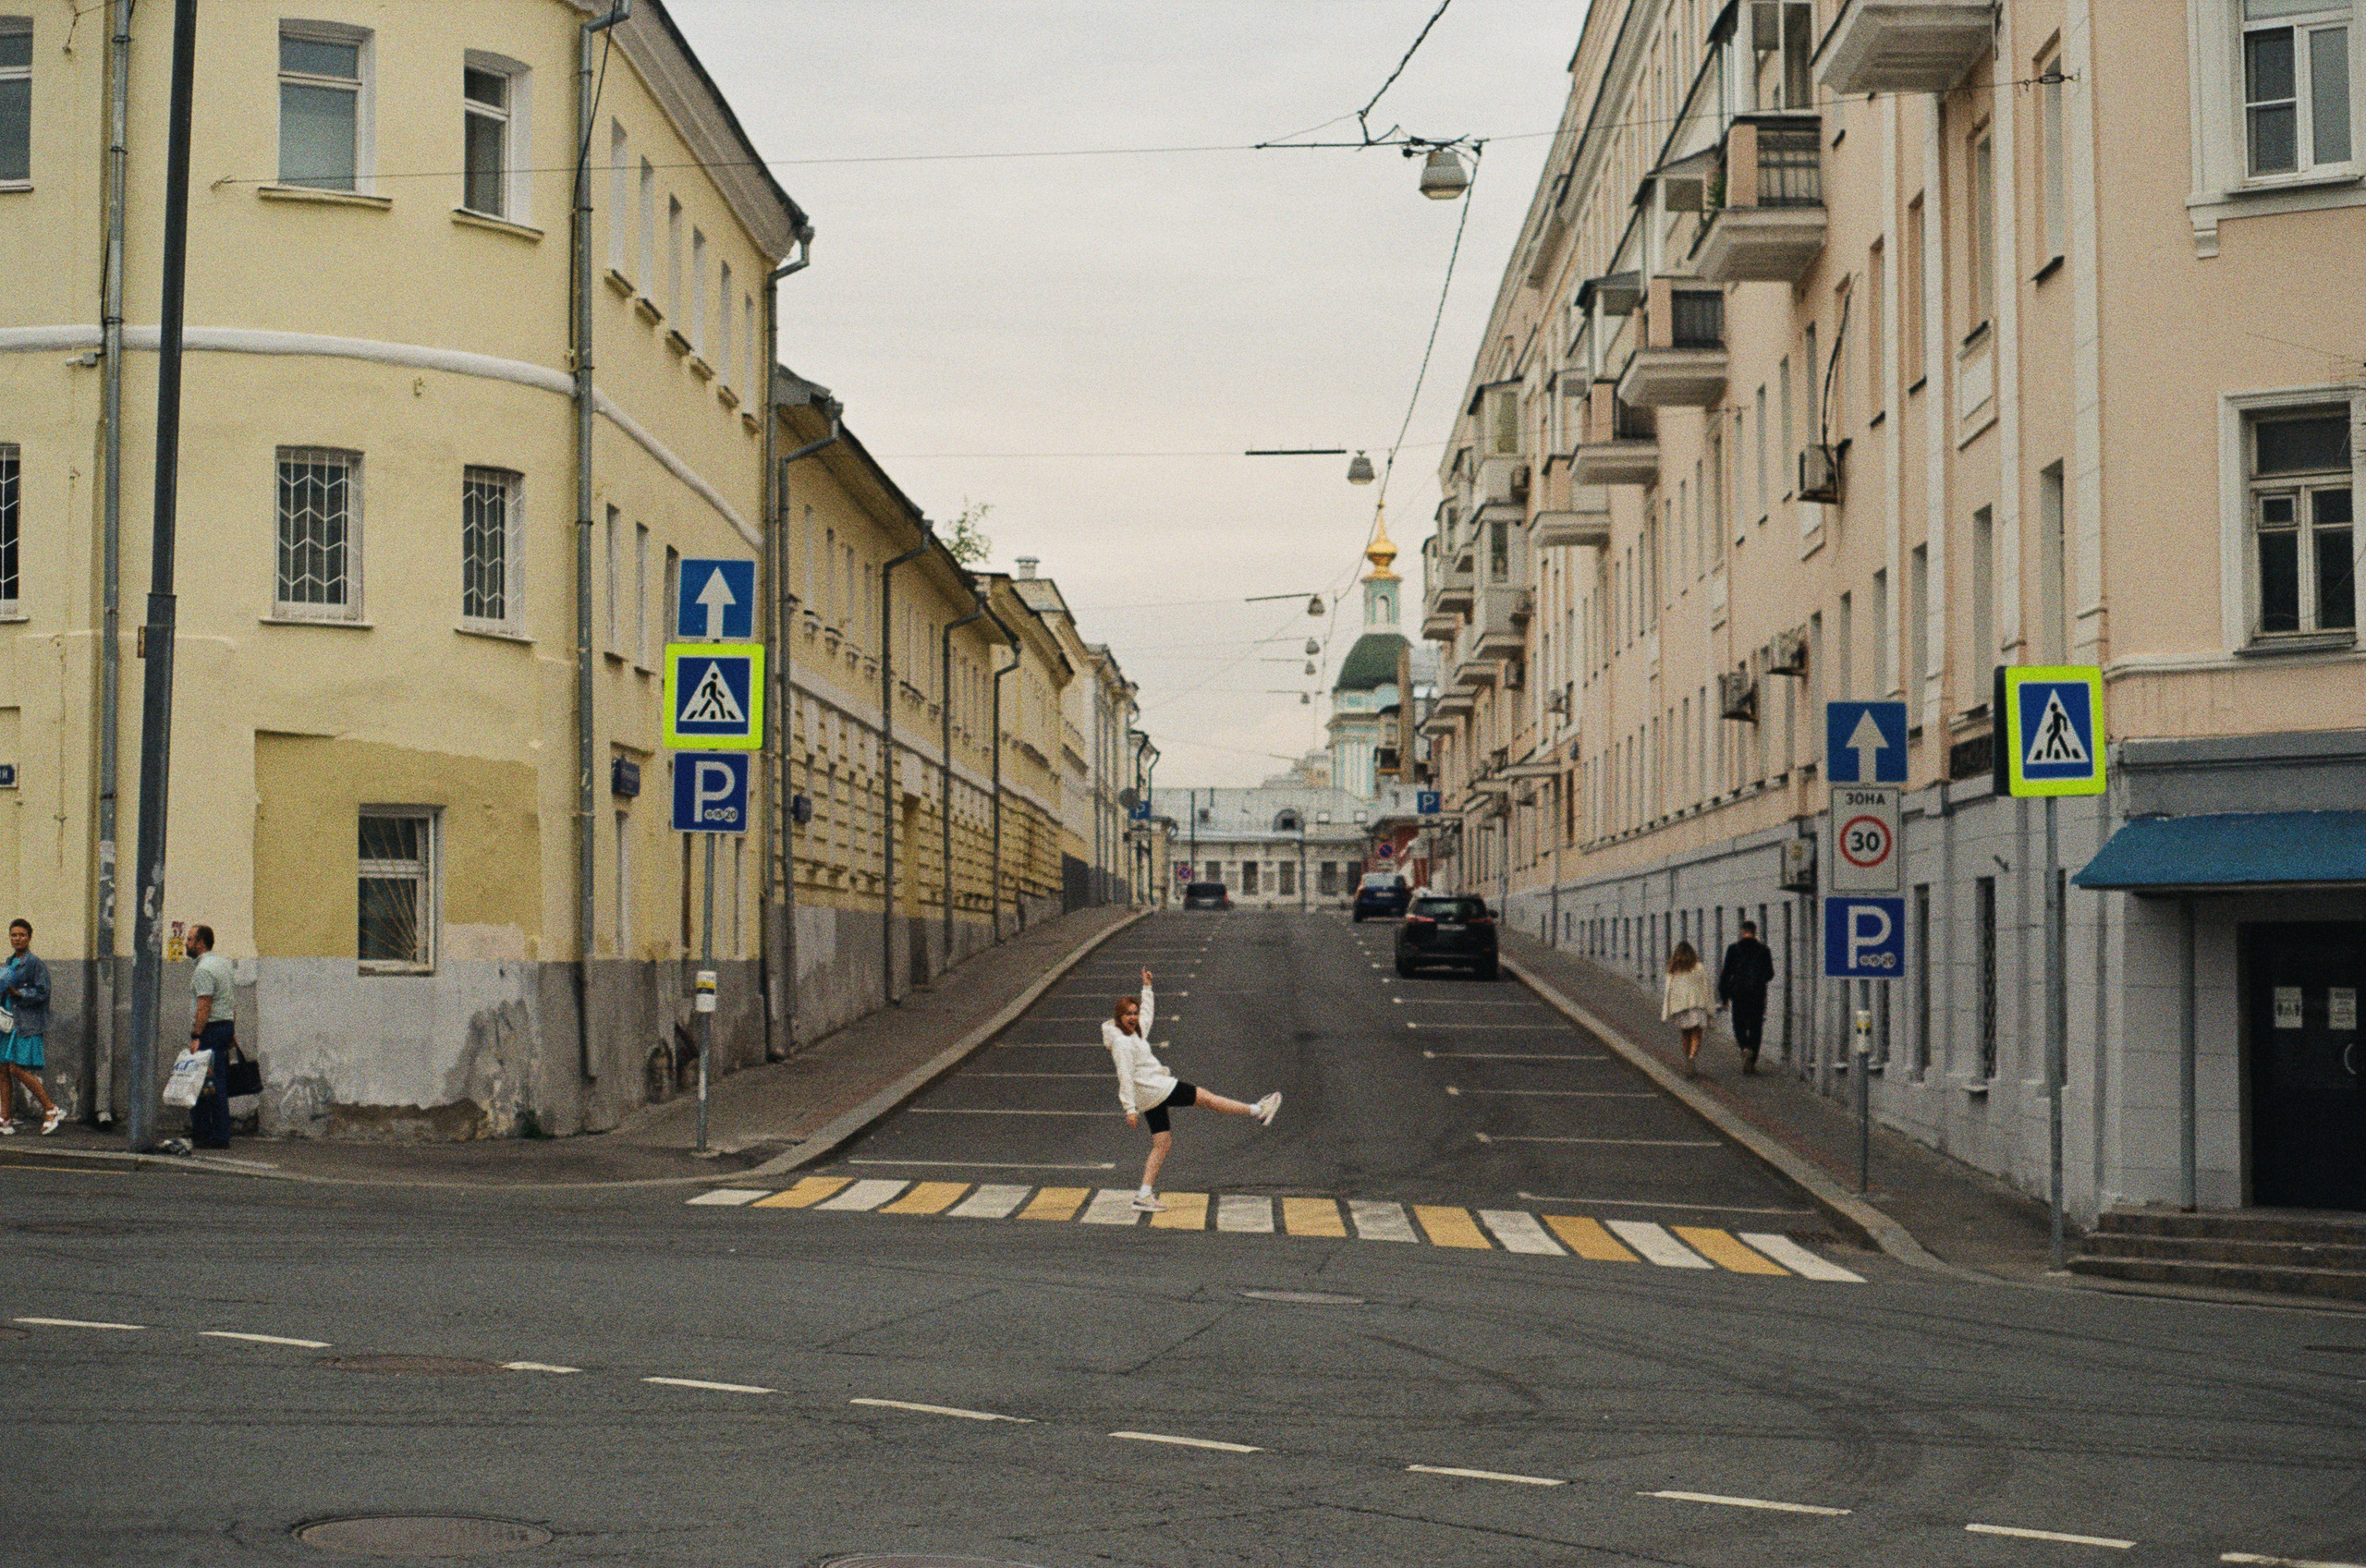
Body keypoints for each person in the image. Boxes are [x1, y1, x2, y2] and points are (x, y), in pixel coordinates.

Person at [1104, 966, 1279, 1212]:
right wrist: (1129, 1109)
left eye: (1134, 1013)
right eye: (1128, 1014)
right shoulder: (1122, 1043)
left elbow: (1147, 1016)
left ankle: (1143, 1195)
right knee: (1207, 1098)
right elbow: (1124, 1076)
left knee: (1162, 1142)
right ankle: (1257, 1110)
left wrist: (1147, 988)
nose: (1133, 1017)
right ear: (1118, 1017)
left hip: (1151, 1094)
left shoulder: (1134, 1033)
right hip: (1157, 1089)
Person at [1, 918, 65, 1135]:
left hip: (27, 1024)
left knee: (16, 1068)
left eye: (21, 935)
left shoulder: (35, 964)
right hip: (9, 1024)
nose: (17, 939)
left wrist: (19, 993)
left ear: (29, 937)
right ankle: (5, 1118)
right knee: (4, 1069)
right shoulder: (9, 963)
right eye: (13, 935)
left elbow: (43, 992)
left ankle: (51, 1108)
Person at [185, 925, 238, 1149]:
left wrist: (196, 1035)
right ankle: (214, 1132)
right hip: (224, 1026)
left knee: (205, 1084)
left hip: (211, 1030)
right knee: (217, 1083)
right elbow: (229, 1000)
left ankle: (211, 1135)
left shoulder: (204, 970)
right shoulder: (224, 964)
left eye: (189, 939)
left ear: (200, 943)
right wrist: (232, 1030)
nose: (186, 943)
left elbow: (204, 1006)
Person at [1717, 918, 1776, 1075]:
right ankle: (1752, 1059)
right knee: (1756, 1026)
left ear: (1742, 932)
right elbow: (1770, 973)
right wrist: (1759, 980)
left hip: (1739, 994)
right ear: (1755, 932)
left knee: (1739, 1024)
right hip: (1757, 994)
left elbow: (1726, 974)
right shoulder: (1764, 950)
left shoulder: (1733, 949)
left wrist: (1724, 997)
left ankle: (1744, 1048)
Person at [1662, 940, 1715, 1077]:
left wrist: (1666, 1011)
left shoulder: (1673, 969)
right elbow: (1707, 988)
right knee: (1697, 1034)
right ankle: (1692, 1057)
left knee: (1685, 1034)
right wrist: (1711, 1009)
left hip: (1680, 1006)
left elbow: (1668, 990)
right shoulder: (1699, 967)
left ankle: (1687, 1061)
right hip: (1698, 1005)